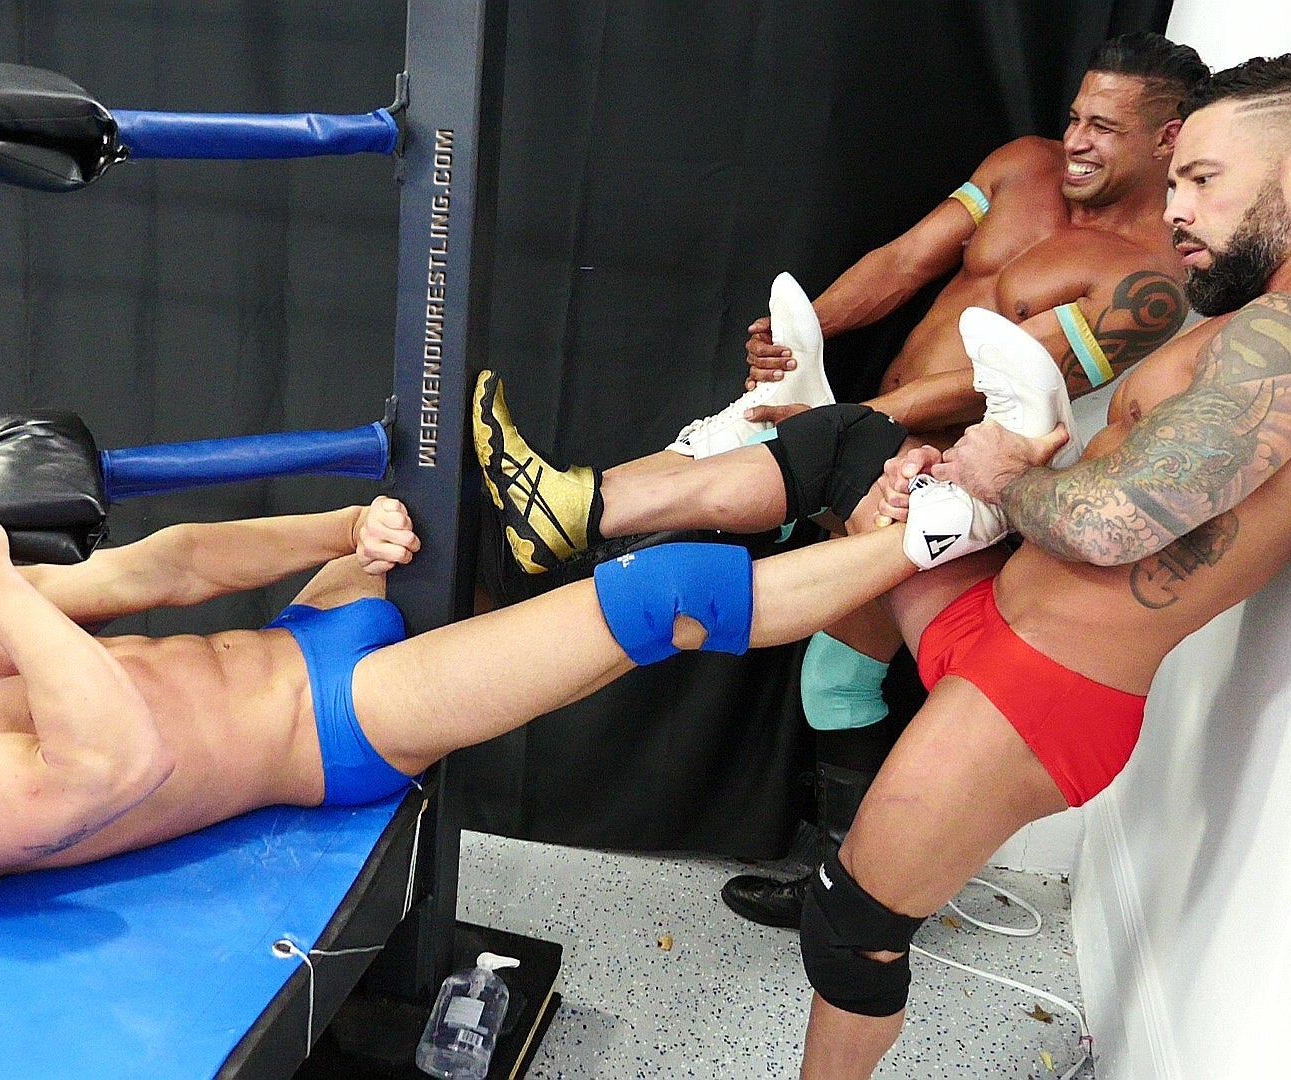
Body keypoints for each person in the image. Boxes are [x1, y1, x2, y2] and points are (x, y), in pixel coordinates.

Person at [475, 30, 1209, 930]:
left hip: (949, 477)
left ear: (1168, 138)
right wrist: (803, 336)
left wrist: (851, 421)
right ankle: (565, 524)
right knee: (808, 615)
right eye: (1076, 116)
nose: (1078, 141)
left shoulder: (1152, 285)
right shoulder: (1024, 165)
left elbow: (1000, 380)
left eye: (1105, 128)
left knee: (826, 653)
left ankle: (846, 889)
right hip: (875, 431)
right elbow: (904, 261)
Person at [794, 54, 1291, 1078]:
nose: (1178, 208)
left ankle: (605, 551)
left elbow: (1113, 526)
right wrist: (973, 475)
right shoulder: (1256, 323)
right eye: (1177, 180)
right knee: (852, 463)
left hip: (1042, 690)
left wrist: (1003, 477)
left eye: (1202, 179)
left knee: (853, 928)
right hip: (999, 617)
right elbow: (1120, 485)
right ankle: (612, 549)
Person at [0, 493, 931, 897]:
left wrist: (340, 528)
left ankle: (863, 493)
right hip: (338, 727)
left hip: (304, 630)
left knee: (468, 500)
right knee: (658, 603)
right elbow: (116, 767)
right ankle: (938, 530)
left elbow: (159, 569)